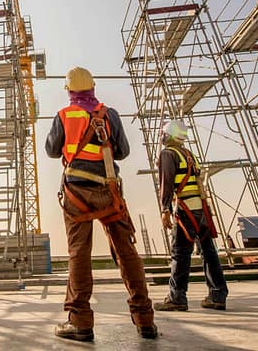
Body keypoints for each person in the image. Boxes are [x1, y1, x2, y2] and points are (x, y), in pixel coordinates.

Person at [46, 66, 157, 342]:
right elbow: (124, 151)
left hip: (77, 193)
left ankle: (80, 322)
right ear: (93, 88)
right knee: (126, 251)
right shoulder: (111, 114)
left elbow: (51, 150)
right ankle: (145, 320)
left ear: (70, 91)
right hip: (109, 189)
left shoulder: (64, 115)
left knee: (79, 252)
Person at [155, 120, 228, 311]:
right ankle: (218, 294)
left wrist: (165, 210)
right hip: (201, 209)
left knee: (180, 253)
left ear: (167, 135)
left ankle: (177, 298)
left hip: (186, 209)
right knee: (208, 252)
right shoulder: (188, 154)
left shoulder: (168, 154)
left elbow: (167, 184)